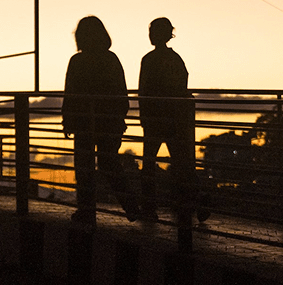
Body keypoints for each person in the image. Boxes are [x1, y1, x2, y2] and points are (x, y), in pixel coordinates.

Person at [61, 16, 139, 225]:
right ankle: (131, 206)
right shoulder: (110, 59)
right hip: (109, 122)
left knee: (84, 167)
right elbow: (121, 92)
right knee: (109, 163)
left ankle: (87, 211)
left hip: (84, 123)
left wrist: (67, 119)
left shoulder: (77, 61)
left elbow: (70, 93)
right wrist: (120, 117)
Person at [137, 17, 193, 221]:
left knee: (149, 163)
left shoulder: (149, 60)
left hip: (154, 118)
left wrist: (144, 116)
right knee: (180, 162)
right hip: (174, 118)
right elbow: (183, 83)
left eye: (152, 32)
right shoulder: (176, 59)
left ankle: (149, 207)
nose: (150, 35)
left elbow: (143, 91)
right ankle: (188, 202)